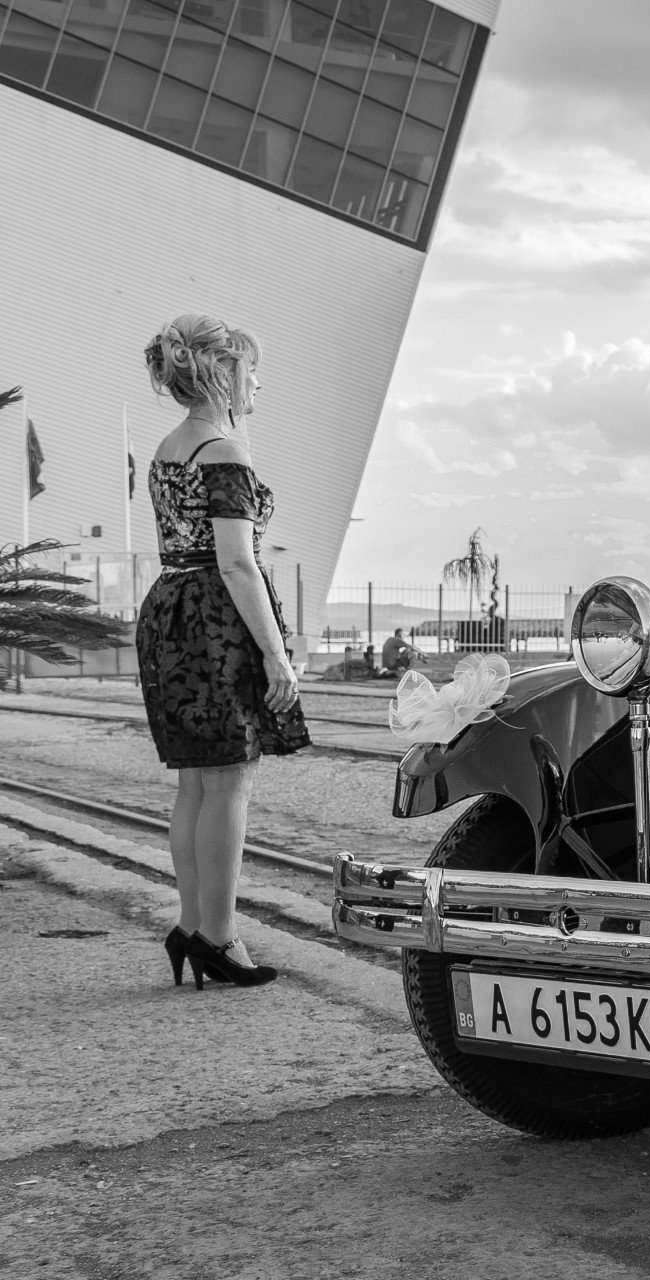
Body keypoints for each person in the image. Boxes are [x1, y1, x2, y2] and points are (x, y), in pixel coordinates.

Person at [136, 313, 309, 990]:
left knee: (195, 784)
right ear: (223, 374)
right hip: (215, 619)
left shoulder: (167, 447)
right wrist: (276, 656)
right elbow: (237, 563)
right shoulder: (224, 453)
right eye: (251, 368)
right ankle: (220, 935)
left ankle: (192, 925)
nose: (259, 380)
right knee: (229, 782)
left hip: (170, 611)